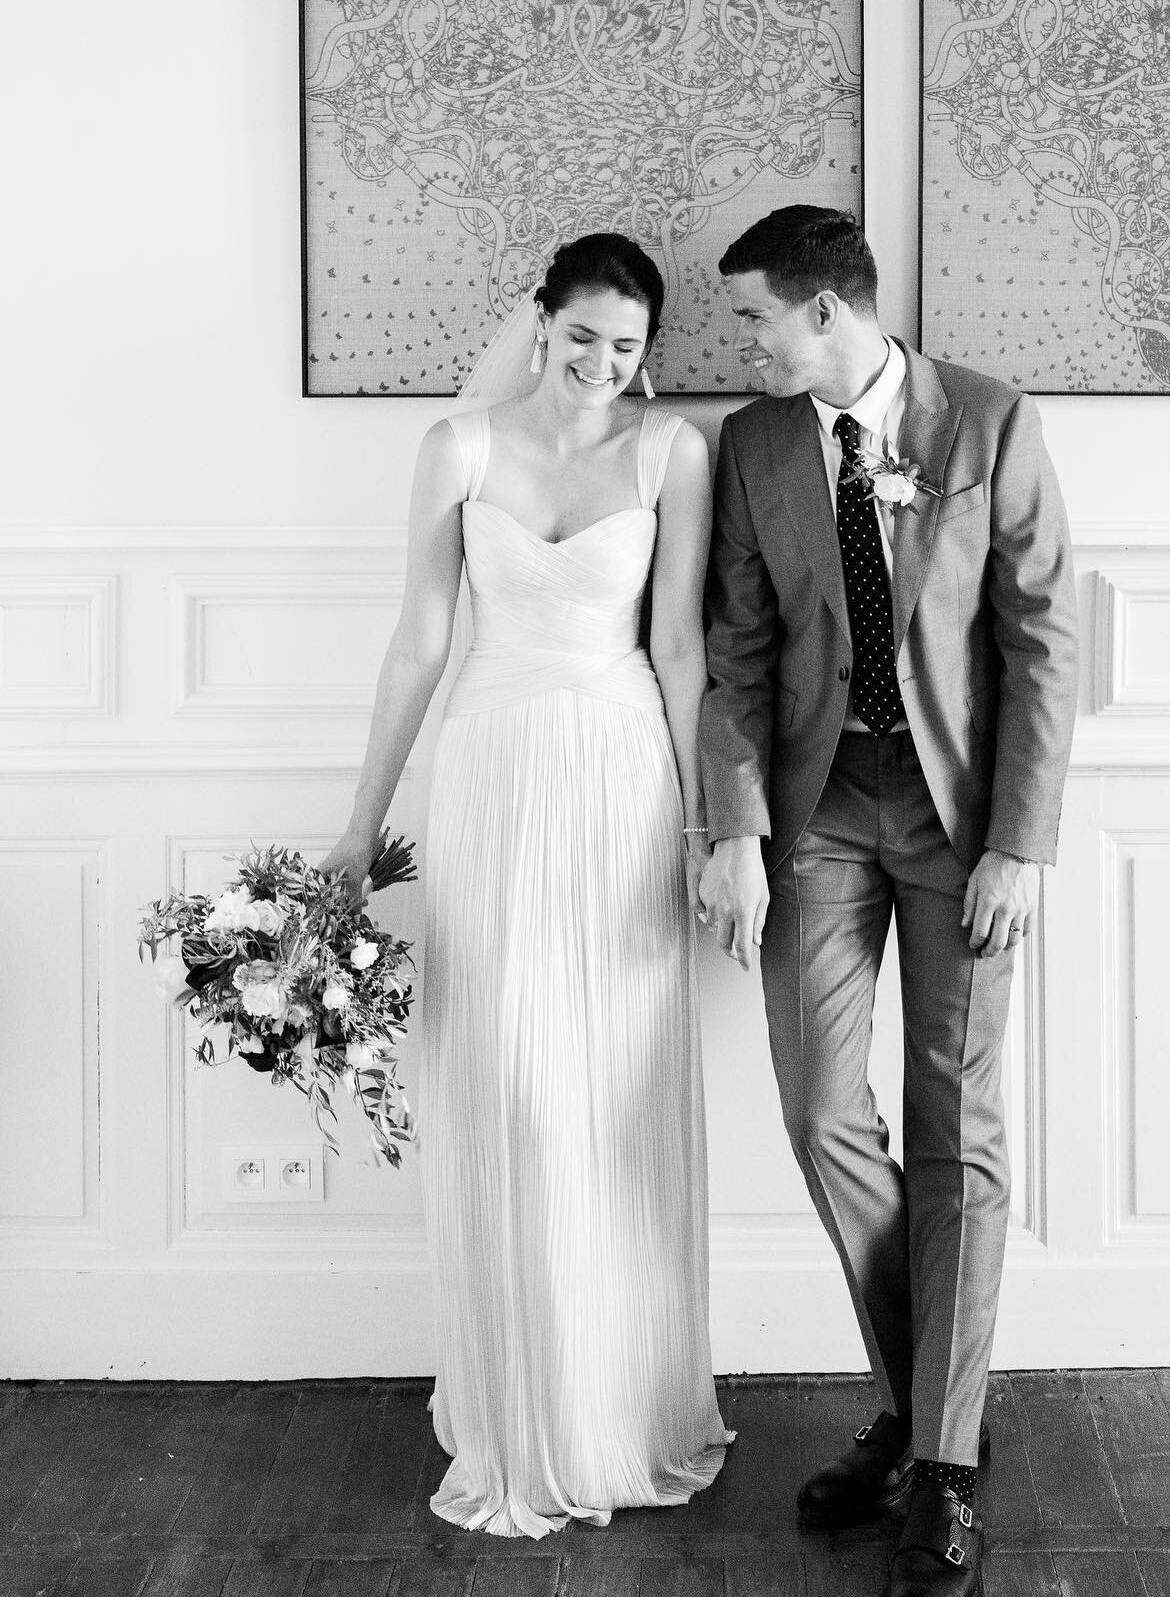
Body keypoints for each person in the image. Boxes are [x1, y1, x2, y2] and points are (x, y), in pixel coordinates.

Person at [324, 234, 730, 1538]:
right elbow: (419, 642)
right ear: (538, 323)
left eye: (626, 350)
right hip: (492, 782)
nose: (601, 368)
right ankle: (517, 1412)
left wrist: (705, 826)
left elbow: (679, 646)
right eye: (580, 341)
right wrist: (358, 824)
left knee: (605, 1093)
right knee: (509, 1086)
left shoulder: (675, 454)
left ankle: (620, 1403)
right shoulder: (460, 451)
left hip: (621, 785)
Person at [697, 208, 1077, 1597]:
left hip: (961, 824)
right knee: (818, 1111)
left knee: (955, 1128)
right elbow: (736, 649)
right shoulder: (751, 447)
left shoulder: (985, 420)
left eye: (754, 319)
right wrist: (730, 827)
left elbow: (1046, 639)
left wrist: (1021, 844)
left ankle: (948, 1468)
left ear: (826, 314)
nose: (741, 342)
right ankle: (931, 1415)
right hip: (816, 822)